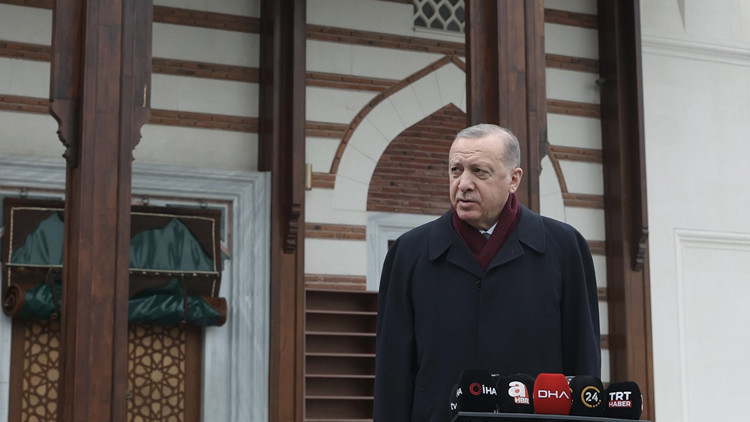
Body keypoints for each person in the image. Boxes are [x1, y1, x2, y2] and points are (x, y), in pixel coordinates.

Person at [373, 123, 600, 421]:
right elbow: (392, 373)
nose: (463, 184)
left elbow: (583, 361)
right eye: (456, 170)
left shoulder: (565, 248)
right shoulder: (409, 253)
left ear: (513, 179)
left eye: (479, 171)